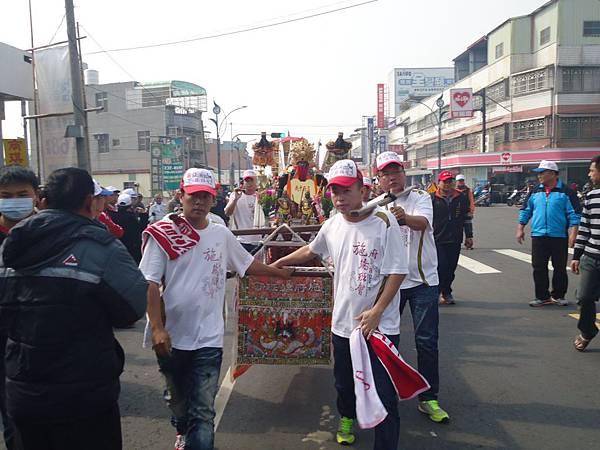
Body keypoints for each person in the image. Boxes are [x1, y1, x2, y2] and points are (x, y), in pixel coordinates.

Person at [140, 168, 293, 450]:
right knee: (177, 400)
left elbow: (246, 264)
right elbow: (149, 283)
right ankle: (181, 427)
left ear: (213, 200)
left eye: (205, 196)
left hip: (209, 337)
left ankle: (194, 436)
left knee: (203, 410)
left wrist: (279, 272)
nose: (198, 202)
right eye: (193, 195)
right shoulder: (163, 233)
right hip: (171, 337)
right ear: (180, 196)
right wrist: (159, 328)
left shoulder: (220, 233)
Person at [0, 167, 147, 450]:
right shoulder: (101, 247)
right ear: (90, 202)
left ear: (41, 200)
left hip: (22, 388)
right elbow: (133, 307)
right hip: (85, 394)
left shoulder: (11, 247)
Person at [271, 159, 409, 450]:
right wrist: (280, 262)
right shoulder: (332, 224)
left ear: (362, 190)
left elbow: (397, 270)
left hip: (379, 326)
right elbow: (312, 249)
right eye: (334, 191)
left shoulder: (384, 221)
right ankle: (347, 417)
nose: (339, 197)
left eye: (346, 190)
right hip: (343, 325)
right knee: (345, 383)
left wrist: (377, 312)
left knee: (383, 393)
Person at [375, 152, 449, 424]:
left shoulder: (420, 197)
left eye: (396, 171)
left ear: (404, 173)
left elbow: (423, 223)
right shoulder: (376, 204)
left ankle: (429, 398)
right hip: (389, 284)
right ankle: (385, 394)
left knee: (426, 342)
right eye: (386, 173)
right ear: (379, 178)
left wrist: (403, 216)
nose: (392, 177)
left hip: (422, 282)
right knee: (386, 341)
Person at [0, 166, 40, 450]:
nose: (14, 200)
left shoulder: (53, 233)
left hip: (41, 345)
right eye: (6, 196)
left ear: (36, 196)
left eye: (22, 194)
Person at [517, 160, 581, 307]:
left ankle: (558, 295)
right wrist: (520, 228)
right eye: (538, 173)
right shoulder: (535, 191)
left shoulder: (566, 192)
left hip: (559, 236)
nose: (539, 176)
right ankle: (542, 296)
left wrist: (573, 234)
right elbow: (526, 210)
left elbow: (574, 215)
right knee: (538, 267)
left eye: (542, 173)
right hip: (539, 235)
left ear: (553, 174)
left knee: (559, 267)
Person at [571, 155, 600, 351]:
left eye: (592, 170)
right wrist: (576, 256)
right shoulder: (591, 196)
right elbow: (584, 229)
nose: (590, 174)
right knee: (584, 297)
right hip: (591, 256)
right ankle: (587, 330)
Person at [432, 171, 474, 305]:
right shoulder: (431, 198)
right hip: (437, 238)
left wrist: (469, 236)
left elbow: (467, 218)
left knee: (451, 268)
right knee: (441, 266)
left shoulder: (461, 197)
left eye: (450, 181)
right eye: (444, 181)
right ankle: (437, 292)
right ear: (439, 183)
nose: (447, 184)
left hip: (455, 238)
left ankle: (446, 291)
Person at [225, 169, 264, 253]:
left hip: (258, 240)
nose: (249, 183)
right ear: (243, 182)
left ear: (256, 182)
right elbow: (227, 213)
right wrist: (235, 200)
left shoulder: (261, 196)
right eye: (247, 181)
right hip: (241, 240)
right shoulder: (235, 195)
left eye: (251, 181)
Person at [113, 193, 144, 264]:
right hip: (132, 247)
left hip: (118, 246)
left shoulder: (112, 215)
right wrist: (143, 215)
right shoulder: (131, 218)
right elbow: (140, 229)